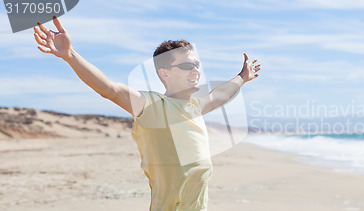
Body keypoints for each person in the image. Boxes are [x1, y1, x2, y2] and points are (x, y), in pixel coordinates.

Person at [33, 16, 261, 211]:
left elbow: (220, 95)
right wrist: (70, 55)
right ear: (165, 73)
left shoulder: (195, 105)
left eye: (196, 64)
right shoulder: (152, 105)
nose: (195, 71)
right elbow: (110, 89)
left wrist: (242, 76)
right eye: (186, 66)